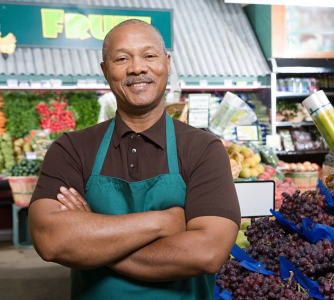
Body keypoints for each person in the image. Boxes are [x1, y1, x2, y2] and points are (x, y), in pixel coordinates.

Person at [28, 19, 241, 299]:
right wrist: (164, 221)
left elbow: (208, 253)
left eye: (149, 56)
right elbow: (51, 240)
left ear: (167, 62)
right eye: (122, 58)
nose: (137, 68)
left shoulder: (203, 149)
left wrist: (92, 240)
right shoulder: (71, 148)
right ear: (105, 71)